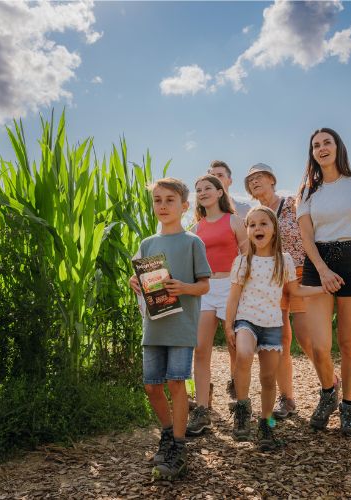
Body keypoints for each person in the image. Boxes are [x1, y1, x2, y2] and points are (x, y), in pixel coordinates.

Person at [297, 128, 351, 436]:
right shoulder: (307, 190)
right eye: (316, 145)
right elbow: (306, 237)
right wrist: (321, 269)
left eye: (327, 142)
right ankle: (327, 393)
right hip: (317, 263)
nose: (321, 148)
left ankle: (348, 406)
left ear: (337, 147)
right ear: (312, 153)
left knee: (348, 343)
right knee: (319, 346)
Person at [129, 178, 211, 480]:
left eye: (170, 200)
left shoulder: (193, 242)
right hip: (154, 325)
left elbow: (204, 285)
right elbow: (143, 284)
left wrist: (185, 287)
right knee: (151, 385)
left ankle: (178, 445)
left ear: (185, 206)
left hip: (181, 326)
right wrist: (134, 283)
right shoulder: (147, 245)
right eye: (158, 200)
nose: (163, 206)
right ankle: (167, 432)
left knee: (176, 383)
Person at [225, 206, 324, 451]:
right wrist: (229, 325)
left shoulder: (284, 260)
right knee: (245, 355)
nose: (258, 228)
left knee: (269, 379)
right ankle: (242, 408)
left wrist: (323, 288)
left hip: (272, 325)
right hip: (246, 320)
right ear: (247, 231)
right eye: (252, 224)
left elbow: (295, 291)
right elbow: (233, 298)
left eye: (263, 223)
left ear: (274, 229)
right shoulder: (242, 261)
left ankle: (266, 425)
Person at [243, 163, 317, 419]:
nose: (254, 182)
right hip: (272, 280)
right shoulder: (255, 216)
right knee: (280, 343)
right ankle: (287, 399)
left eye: (259, 177)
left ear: (272, 180)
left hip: (299, 274)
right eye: (250, 180)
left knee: (307, 338)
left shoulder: (292, 204)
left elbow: (311, 234)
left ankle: (331, 385)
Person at [186, 174, 248, 436]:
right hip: (207, 289)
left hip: (231, 287)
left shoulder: (234, 221)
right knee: (200, 349)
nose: (202, 192)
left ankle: (241, 407)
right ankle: (202, 410)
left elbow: (247, 256)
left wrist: (243, 288)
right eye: (198, 189)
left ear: (220, 192)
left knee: (236, 347)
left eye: (207, 188)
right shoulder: (196, 228)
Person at [207, 160, 251, 400]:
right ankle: (206, 389)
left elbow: (249, 246)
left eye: (220, 175)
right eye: (211, 175)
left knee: (233, 337)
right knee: (202, 342)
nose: (215, 178)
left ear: (229, 181)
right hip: (209, 282)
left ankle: (237, 383)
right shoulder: (202, 210)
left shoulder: (243, 210)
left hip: (234, 281)